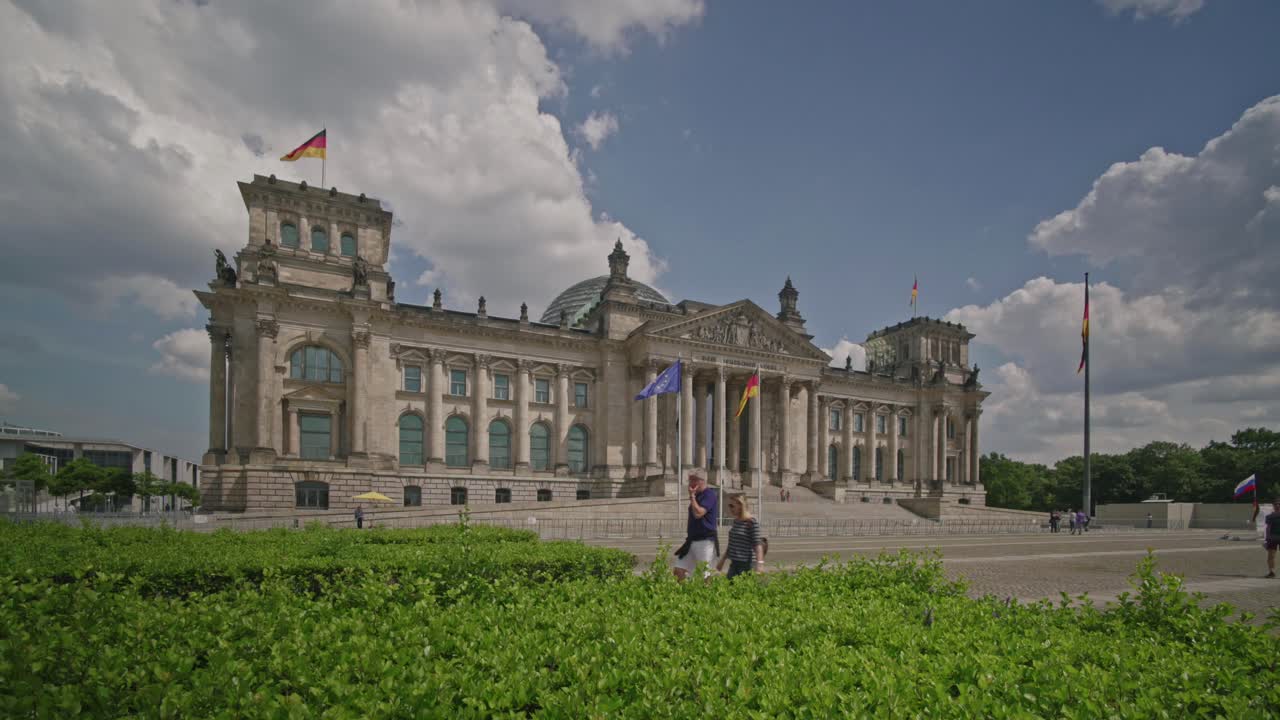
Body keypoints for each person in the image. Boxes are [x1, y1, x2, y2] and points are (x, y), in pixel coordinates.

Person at [673, 474, 718, 581]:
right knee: (678, 570)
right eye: (689, 480)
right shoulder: (697, 495)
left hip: (705, 540)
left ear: (701, 481)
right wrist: (693, 496)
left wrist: (692, 497)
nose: (690, 483)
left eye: (693, 480)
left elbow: (699, 513)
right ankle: (686, 594)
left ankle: (707, 595)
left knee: (704, 574)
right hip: (692, 540)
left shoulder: (709, 495)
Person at [717, 493, 765, 579]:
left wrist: (760, 564)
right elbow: (732, 544)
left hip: (747, 564)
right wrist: (722, 560)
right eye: (729, 505)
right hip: (735, 563)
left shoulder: (751, 522)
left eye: (732, 505)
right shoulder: (736, 521)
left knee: (745, 590)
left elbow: (758, 544)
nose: (730, 508)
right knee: (730, 588)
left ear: (740, 505)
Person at [1265, 496, 1279, 579]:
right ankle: (1271, 572)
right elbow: (1268, 528)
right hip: (1272, 538)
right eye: (1276, 504)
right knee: (1271, 556)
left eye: (1279, 504)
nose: (1277, 505)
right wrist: (1267, 538)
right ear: (1273, 505)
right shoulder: (1270, 516)